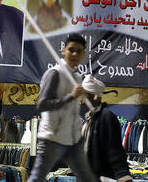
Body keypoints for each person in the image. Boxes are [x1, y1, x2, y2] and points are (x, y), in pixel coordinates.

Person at [27, 33, 99, 182]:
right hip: (52, 138)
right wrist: (71, 96)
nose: (74, 54)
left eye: (79, 51)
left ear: (83, 54)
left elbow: (71, 109)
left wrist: (86, 99)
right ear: (63, 50)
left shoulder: (78, 77)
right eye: (71, 49)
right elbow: (42, 105)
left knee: (88, 179)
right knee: (37, 178)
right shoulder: (54, 74)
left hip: (73, 139)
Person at [82, 75, 133, 182]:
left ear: (95, 97)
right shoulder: (90, 119)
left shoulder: (106, 117)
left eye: (84, 96)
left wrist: (123, 175)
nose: (81, 100)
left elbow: (115, 149)